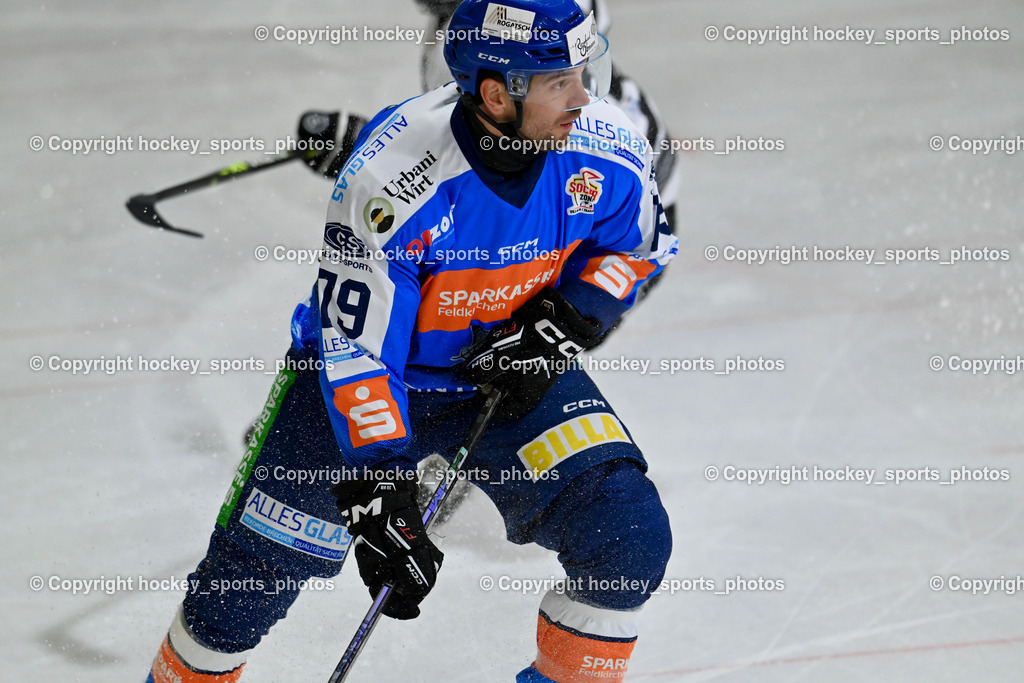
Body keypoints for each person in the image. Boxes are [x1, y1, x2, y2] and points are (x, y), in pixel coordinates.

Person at [147, 1, 676, 681]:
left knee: (629, 536)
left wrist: (565, 319)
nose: (586, 96)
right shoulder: (391, 180)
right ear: (495, 93)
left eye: (586, 70)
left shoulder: (610, 145)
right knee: (240, 590)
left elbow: (641, 248)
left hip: (502, 370)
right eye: (560, 82)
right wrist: (379, 485)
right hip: (359, 384)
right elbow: (357, 348)